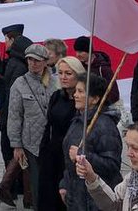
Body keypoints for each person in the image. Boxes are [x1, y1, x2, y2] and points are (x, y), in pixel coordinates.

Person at [60, 73, 122, 211]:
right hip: (76, 196)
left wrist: (82, 155)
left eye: (81, 91)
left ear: (95, 99)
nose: (75, 95)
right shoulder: (78, 120)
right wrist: (65, 184)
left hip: (95, 201)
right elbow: (69, 159)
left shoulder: (105, 127)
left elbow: (112, 166)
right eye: (75, 90)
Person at [7, 43, 55, 203]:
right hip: (32, 145)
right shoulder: (19, 84)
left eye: (37, 60)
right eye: (30, 59)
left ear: (45, 61)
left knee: (53, 184)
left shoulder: (56, 82)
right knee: (36, 186)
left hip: (53, 142)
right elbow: (14, 117)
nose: (33, 63)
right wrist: (17, 146)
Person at [0, 22, 32, 206]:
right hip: (13, 116)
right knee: (15, 153)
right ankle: (16, 188)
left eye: (6, 39)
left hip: (12, 117)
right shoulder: (18, 62)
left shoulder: (16, 64)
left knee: (11, 151)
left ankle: (10, 187)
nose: (4, 43)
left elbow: (11, 93)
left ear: (12, 40)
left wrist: (1, 108)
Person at [38, 55, 85, 211]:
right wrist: (43, 148)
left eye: (68, 73)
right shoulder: (57, 96)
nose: (63, 77)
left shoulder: (82, 101)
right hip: (51, 154)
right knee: (47, 197)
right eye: (60, 73)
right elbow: (48, 124)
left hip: (71, 155)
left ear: (78, 74)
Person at [73, 36, 119, 105]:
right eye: (76, 51)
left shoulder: (103, 68)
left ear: (89, 51)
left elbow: (114, 94)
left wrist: (99, 104)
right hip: (84, 110)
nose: (77, 55)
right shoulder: (79, 67)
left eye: (80, 52)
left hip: (100, 109)